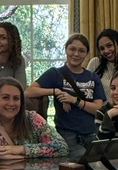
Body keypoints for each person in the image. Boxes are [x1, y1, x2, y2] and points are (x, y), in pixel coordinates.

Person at [25, 33, 106, 161]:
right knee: (82, 163)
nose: (76, 54)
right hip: (68, 134)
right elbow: (28, 91)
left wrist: (75, 100)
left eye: (81, 51)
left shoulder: (93, 77)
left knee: (101, 163)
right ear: (66, 50)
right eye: (72, 49)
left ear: (86, 54)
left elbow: (98, 109)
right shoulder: (55, 74)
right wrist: (55, 91)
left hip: (92, 133)